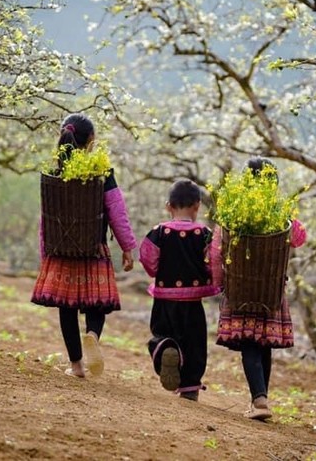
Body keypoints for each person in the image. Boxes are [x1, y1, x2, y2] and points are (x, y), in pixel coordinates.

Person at [31, 113, 137, 378]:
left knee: (66, 309)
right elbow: (117, 213)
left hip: (61, 254)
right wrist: (127, 247)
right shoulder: (102, 174)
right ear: (91, 141)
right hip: (93, 250)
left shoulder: (54, 174)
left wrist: (45, 252)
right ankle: (92, 335)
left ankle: (76, 365)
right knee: (96, 304)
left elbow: (46, 217)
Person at [211, 157, 307, 420]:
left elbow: (217, 250)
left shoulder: (232, 213)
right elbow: (298, 237)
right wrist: (284, 214)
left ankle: (259, 400)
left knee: (250, 343)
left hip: (241, 289)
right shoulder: (279, 212)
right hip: (270, 290)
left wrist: (219, 283)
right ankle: (261, 399)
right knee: (263, 343)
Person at [139, 179, 220, 401]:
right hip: (193, 302)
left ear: (168, 206)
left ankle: (165, 347)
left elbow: (146, 256)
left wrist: (157, 272)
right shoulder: (203, 233)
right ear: (197, 206)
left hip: (164, 299)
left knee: (162, 332)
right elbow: (213, 260)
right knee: (194, 343)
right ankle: (190, 388)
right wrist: (213, 279)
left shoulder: (158, 232)